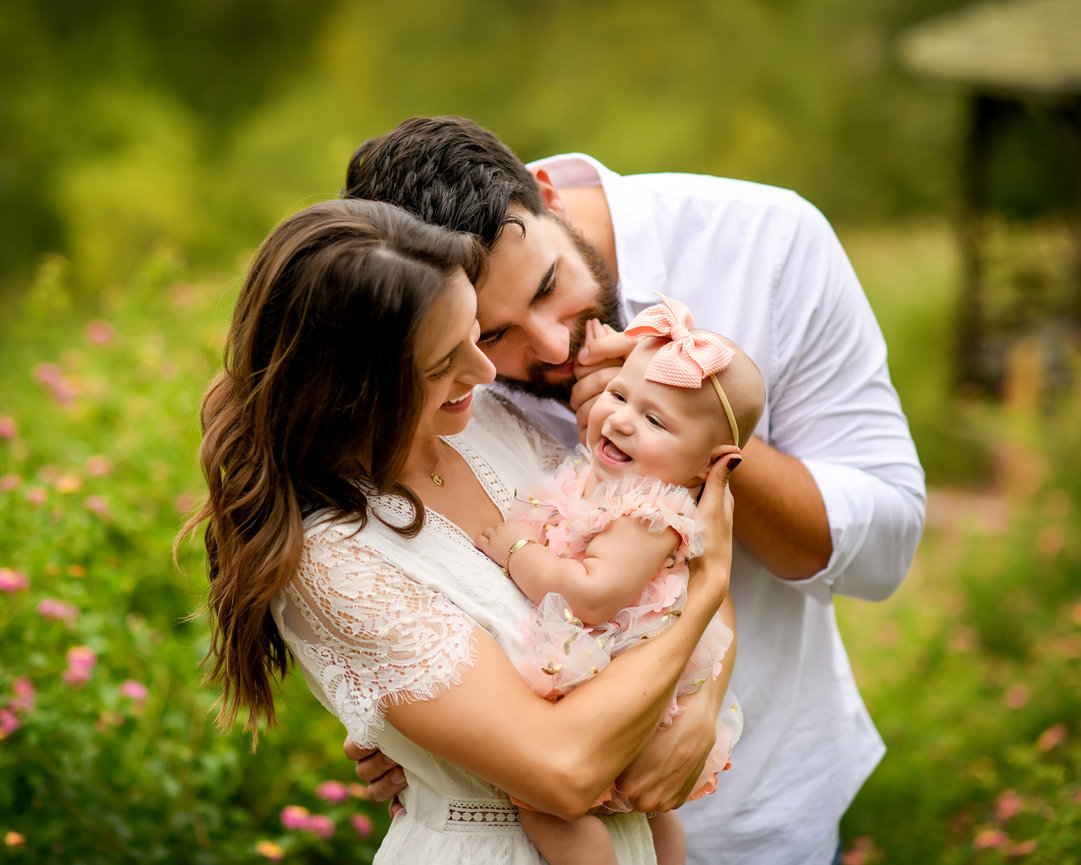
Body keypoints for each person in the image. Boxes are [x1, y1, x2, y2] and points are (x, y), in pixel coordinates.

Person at [341, 116, 927, 864]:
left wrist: (695, 436)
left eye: (549, 287)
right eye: (491, 336)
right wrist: (414, 727)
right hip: (525, 819)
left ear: (545, 191)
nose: (551, 347)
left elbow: (885, 551)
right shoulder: (428, 348)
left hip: (761, 808)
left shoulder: (767, 242)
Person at [180, 197, 743, 864]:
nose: (483, 372)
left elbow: (654, 572)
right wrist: (711, 584)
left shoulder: (490, 422)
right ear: (357, 388)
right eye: (443, 361)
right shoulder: (330, 557)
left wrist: (704, 701)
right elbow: (562, 770)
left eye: (477, 335)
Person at [476, 297, 766, 865]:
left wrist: (517, 553)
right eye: (620, 395)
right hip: (615, 677)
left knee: (544, 804)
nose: (623, 419)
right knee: (650, 819)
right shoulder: (607, 483)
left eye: (655, 421)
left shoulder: (650, 511)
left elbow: (590, 594)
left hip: (613, 681)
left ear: (706, 468)